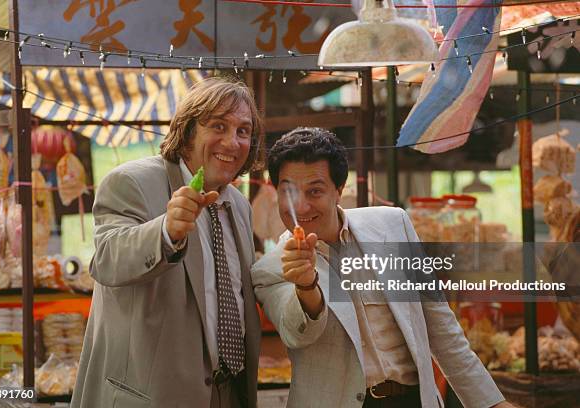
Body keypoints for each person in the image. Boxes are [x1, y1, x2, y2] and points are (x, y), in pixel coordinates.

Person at [251, 127, 515, 408]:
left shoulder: (393, 225)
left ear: (339, 190)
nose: (301, 206)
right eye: (289, 191)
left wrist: (493, 404)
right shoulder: (270, 268)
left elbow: (442, 329)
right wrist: (305, 285)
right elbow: (298, 332)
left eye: (315, 191)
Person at [71, 77, 263, 408]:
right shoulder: (131, 181)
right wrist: (165, 232)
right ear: (188, 130)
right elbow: (105, 259)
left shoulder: (238, 204)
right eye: (218, 126)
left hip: (229, 392)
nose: (232, 142)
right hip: (153, 397)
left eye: (243, 131)